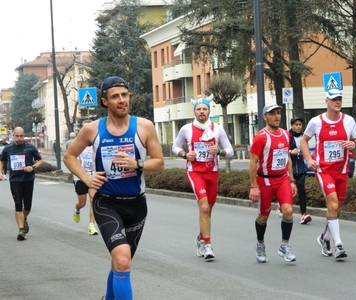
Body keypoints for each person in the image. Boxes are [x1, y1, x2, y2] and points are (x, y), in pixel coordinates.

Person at [63, 76, 164, 300]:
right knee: (122, 259)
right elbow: (69, 156)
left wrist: (136, 163)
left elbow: (159, 162)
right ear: (104, 101)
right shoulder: (92, 129)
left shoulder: (144, 126)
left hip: (136, 205)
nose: (122, 100)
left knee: (120, 263)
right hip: (106, 202)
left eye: (125, 95)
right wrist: (87, 179)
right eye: (115, 96)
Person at [300, 89, 356, 259]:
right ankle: (339, 245)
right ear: (326, 101)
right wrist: (309, 159)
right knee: (332, 205)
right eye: (334, 99)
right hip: (323, 170)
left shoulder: (348, 121)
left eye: (340, 99)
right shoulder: (316, 122)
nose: (338, 102)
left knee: (337, 208)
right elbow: (304, 140)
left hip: (342, 170)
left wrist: (354, 144)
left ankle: (324, 238)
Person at [172, 97, 234, 260]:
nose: (201, 112)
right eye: (198, 109)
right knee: (204, 208)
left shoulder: (218, 129)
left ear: (209, 111)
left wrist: (220, 151)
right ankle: (208, 246)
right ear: (194, 111)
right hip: (195, 172)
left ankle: (200, 237)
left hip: (212, 172)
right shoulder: (186, 129)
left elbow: (230, 150)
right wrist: (185, 154)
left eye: (204, 109)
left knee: (208, 209)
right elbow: (175, 147)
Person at [248, 104, 297, 263]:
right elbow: (252, 162)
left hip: (282, 179)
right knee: (263, 216)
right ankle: (260, 244)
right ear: (265, 117)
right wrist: (254, 186)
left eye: (278, 113)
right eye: (272, 114)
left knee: (288, 211)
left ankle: (284, 246)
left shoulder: (285, 134)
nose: (276, 116)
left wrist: (291, 180)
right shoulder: (261, 137)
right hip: (265, 180)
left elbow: (287, 157)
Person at [0, 127, 44, 240]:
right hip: (15, 180)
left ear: (24, 135)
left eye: (21, 136)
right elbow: (2, 160)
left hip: (28, 179)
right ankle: (21, 231)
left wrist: (32, 167)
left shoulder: (30, 147)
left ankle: (24, 218)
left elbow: (40, 161)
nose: (19, 138)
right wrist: (0, 172)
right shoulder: (8, 148)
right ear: (13, 136)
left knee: (28, 206)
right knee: (18, 205)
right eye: (17, 136)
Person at [72, 142, 99, 235]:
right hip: (81, 177)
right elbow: (74, 161)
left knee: (93, 200)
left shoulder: (97, 146)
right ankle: (77, 208)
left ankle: (92, 225)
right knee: (82, 203)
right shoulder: (79, 146)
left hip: (93, 177)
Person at [289, 116, 312, 224]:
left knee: (302, 191)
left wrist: (308, 154)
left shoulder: (304, 137)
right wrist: (290, 152)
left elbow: (306, 149)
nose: (298, 127)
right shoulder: (287, 136)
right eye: (296, 125)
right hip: (290, 169)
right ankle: (284, 208)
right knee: (290, 192)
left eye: (300, 125)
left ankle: (304, 214)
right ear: (292, 126)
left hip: (301, 168)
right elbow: (281, 150)